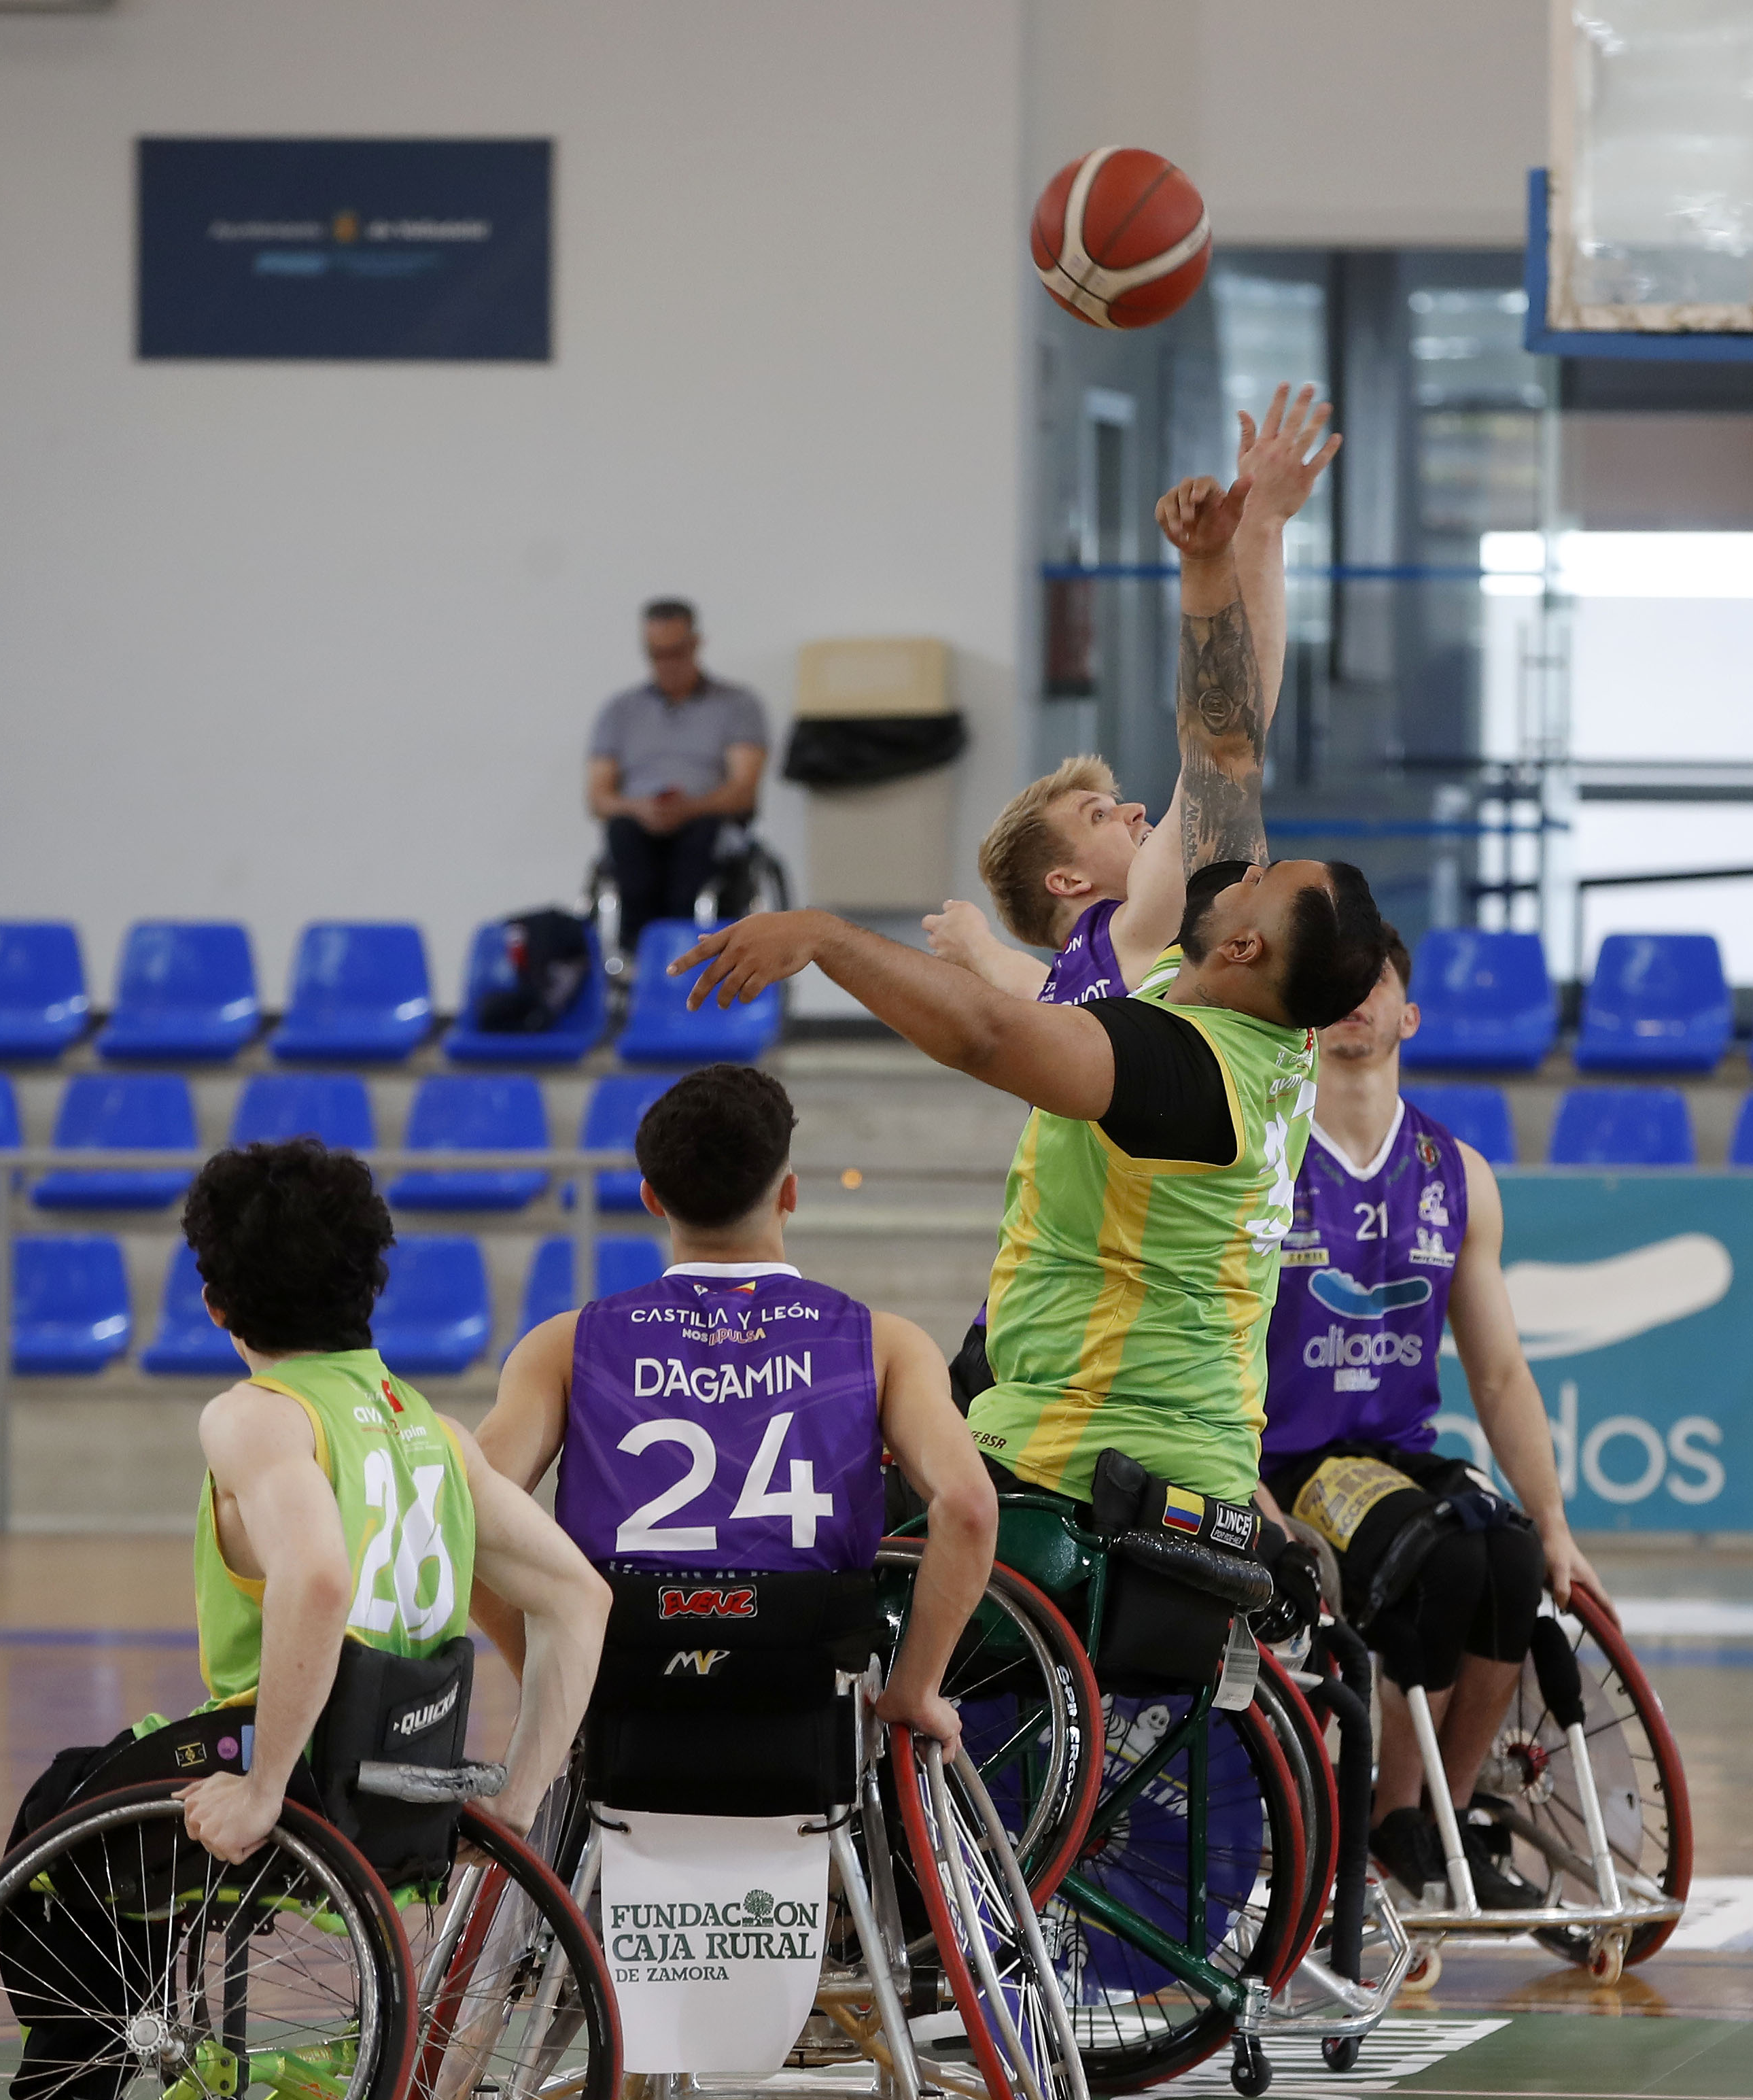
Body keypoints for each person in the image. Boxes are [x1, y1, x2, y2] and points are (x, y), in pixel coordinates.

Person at [667, 436, 1389, 1513]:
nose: (1156, 819)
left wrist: (829, 935)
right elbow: (1227, 751)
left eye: (1258, 874)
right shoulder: (1160, 975)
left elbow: (1003, 1027)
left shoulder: (1162, 992)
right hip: (1082, 1368)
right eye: (1108, 815)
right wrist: (1209, 569)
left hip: (1103, 1427)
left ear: (1244, 943)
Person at [0, 1137, 612, 2100]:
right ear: (373, 1282)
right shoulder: (436, 1434)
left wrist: (267, 1782)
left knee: (63, 1806)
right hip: (411, 1786)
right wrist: (517, 1808)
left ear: (216, 1304)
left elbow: (316, 1575)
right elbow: (580, 1595)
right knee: (121, 1807)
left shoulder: (260, 1418)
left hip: (304, 1777)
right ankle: (113, 2064)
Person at [468, 1063, 992, 1744]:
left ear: (651, 1199)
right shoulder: (883, 1343)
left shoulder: (564, 1346)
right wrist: (915, 1691)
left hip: (627, 1673)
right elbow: (971, 1508)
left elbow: (460, 1522)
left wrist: (555, 1676)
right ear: (791, 1194)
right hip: (810, 1678)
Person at [1255, 931, 1606, 1906]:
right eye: (1335, 982)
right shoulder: (1262, 1162)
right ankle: (1389, 1815)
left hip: (1396, 1460)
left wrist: (1561, 1524)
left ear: (1409, 1015)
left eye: (1376, 984)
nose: (1356, 998)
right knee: (1442, 1560)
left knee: (1511, 1556)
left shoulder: (1457, 1171)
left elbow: (1497, 1371)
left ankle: (1442, 1824)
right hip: (1290, 1463)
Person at [930, 385, 1335, 1008]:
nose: (1135, 810)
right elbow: (1227, 741)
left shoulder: (1066, 999)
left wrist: (979, 949)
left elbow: (1024, 981)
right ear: (1068, 880)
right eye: (1100, 814)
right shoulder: (1147, 924)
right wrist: (1254, 527)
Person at [587, 596, 769, 949]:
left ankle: (687, 948)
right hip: (639, 820)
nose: (667, 664)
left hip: (706, 820)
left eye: (676, 652)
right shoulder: (619, 711)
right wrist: (639, 808)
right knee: (624, 836)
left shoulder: (737, 706)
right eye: (657, 654)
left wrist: (690, 808)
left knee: (701, 843)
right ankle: (637, 952)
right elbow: (598, 796)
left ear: (696, 644)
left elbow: (743, 788)